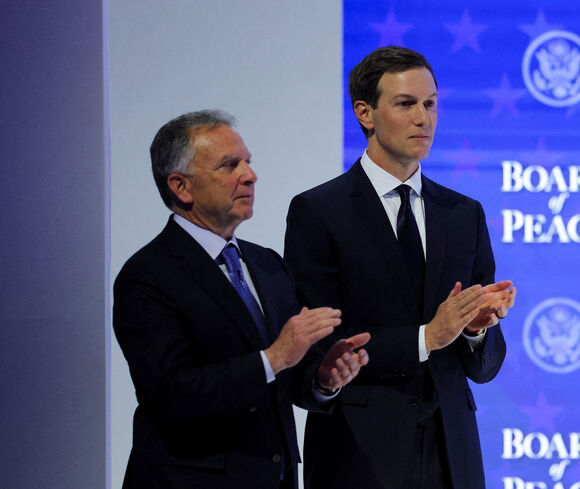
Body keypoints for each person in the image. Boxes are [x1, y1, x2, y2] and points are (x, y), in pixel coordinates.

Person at [284, 47, 516, 489]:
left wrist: (475, 330)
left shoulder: (464, 213)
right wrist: (428, 337)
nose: (423, 118)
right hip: (359, 457)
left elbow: (485, 369)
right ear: (365, 113)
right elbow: (321, 344)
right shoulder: (319, 211)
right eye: (406, 104)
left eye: (430, 104)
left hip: (453, 456)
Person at [113, 110, 369, 489]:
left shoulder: (266, 264)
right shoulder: (147, 276)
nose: (250, 175)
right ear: (181, 187)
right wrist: (275, 357)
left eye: (248, 162)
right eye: (229, 165)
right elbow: (170, 395)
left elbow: (287, 378)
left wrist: (322, 379)